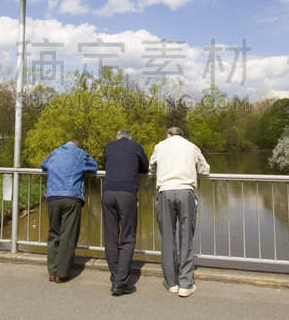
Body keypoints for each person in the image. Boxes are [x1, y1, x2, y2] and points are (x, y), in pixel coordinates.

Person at [149, 127, 210, 298]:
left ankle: (171, 282)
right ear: (181, 135)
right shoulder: (192, 147)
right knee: (186, 237)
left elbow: (151, 167)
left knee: (168, 237)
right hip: (185, 191)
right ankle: (186, 283)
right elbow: (205, 169)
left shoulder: (160, 146)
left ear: (168, 135)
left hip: (165, 191)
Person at [41, 140, 98, 282]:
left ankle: (52, 272)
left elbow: (44, 165)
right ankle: (62, 273)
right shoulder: (80, 154)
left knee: (54, 232)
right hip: (71, 197)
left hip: (52, 196)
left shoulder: (54, 153)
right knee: (68, 234)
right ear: (78, 146)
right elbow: (94, 167)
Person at [102, 130, 149, 296]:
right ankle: (120, 282)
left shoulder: (110, 146)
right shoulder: (136, 147)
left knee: (110, 236)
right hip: (127, 194)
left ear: (116, 138)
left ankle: (116, 275)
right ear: (130, 138)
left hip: (107, 193)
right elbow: (145, 167)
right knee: (127, 237)